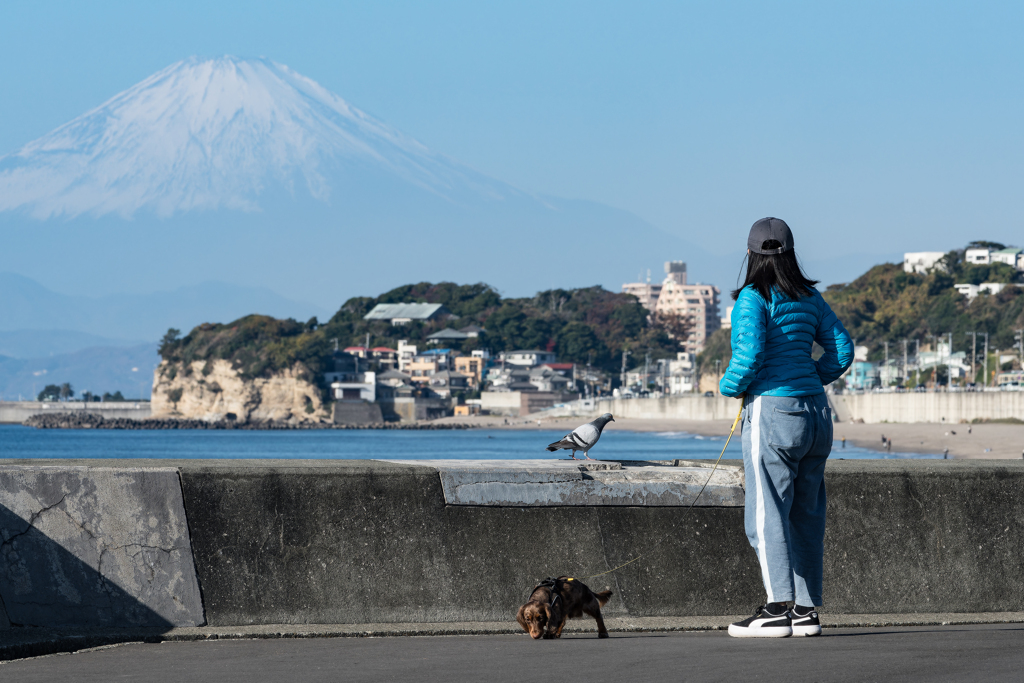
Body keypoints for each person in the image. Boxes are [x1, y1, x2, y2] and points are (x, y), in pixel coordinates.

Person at [719, 217, 853, 638]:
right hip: (816, 413)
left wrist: (729, 386)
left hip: (774, 414)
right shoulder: (811, 297)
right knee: (807, 514)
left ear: (749, 254)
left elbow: (751, 350)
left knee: (766, 515)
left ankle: (776, 608)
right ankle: (806, 612)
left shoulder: (752, 299)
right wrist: (812, 376)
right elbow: (842, 349)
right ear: (791, 252)